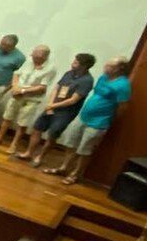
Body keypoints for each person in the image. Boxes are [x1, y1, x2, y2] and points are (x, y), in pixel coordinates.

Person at [41, 57, 132, 185]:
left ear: (119, 69)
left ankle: (75, 174)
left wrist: (109, 120)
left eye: (110, 66)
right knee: (71, 143)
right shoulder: (103, 77)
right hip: (83, 116)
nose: (105, 67)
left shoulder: (123, 85)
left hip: (98, 122)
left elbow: (122, 107)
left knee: (85, 149)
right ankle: (64, 168)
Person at [0, 44, 55, 148]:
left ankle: (14, 144)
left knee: (22, 123)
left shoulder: (50, 68)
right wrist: (15, 86)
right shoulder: (29, 61)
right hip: (16, 94)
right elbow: (16, 74)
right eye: (33, 55)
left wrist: (21, 90)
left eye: (36, 57)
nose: (33, 58)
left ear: (44, 57)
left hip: (32, 99)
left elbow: (42, 87)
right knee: (7, 117)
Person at [22, 52, 96, 164]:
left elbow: (73, 100)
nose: (72, 63)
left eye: (76, 62)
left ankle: (40, 157)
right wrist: (50, 104)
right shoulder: (69, 73)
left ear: (84, 66)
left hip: (65, 112)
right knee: (37, 128)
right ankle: (29, 152)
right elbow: (56, 88)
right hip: (52, 106)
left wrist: (53, 106)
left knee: (52, 135)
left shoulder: (87, 80)